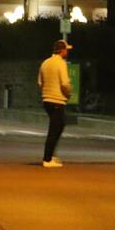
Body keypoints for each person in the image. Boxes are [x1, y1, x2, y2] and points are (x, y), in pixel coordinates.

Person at [38, 39, 72, 168]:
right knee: (55, 129)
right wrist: (68, 94)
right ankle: (47, 159)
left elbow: (40, 82)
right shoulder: (61, 64)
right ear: (62, 50)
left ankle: (50, 155)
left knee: (58, 126)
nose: (67, 52)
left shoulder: (45, 63)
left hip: (47, 100)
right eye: (66, 50)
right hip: (57, 100)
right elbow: (65, 83)